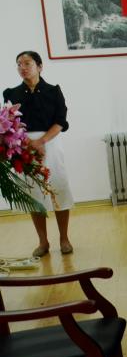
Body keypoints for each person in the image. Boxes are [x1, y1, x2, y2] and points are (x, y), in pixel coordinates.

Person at [3, 50, 74, 256]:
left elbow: (60, 121)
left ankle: (64, 238)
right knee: (33, 193)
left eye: (27, 63)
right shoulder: (11, 93)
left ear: (40, 66)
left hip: (51, 143)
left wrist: (41, 141)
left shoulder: (53, 91)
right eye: (19, 64)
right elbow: (10, 124)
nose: (22, 67)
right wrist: (28, 143)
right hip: (24, 147)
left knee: (59, 188)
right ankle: (43, 242)